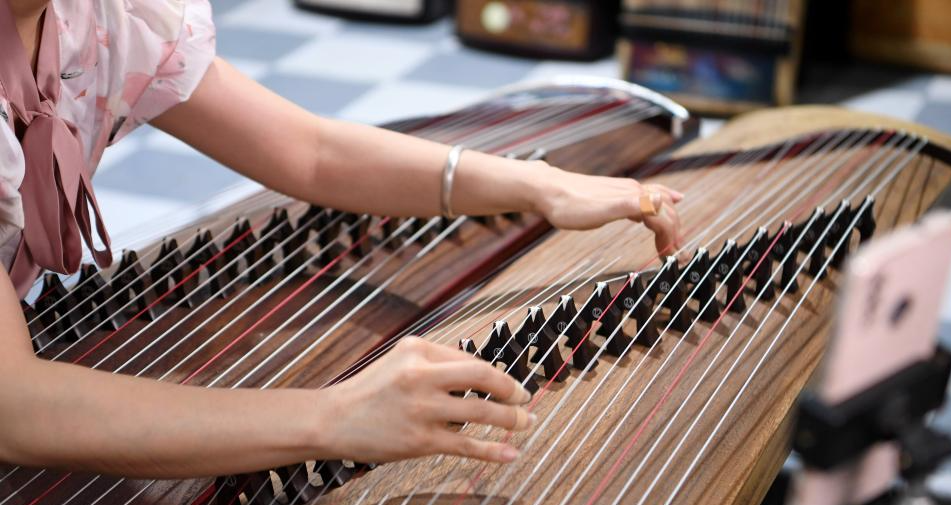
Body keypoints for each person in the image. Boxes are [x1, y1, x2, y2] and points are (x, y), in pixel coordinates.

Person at [0, 0, 683, 478]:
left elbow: (310, 153)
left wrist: (535, 185)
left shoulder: (99, 15)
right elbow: (16, 406)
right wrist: (331, 416)